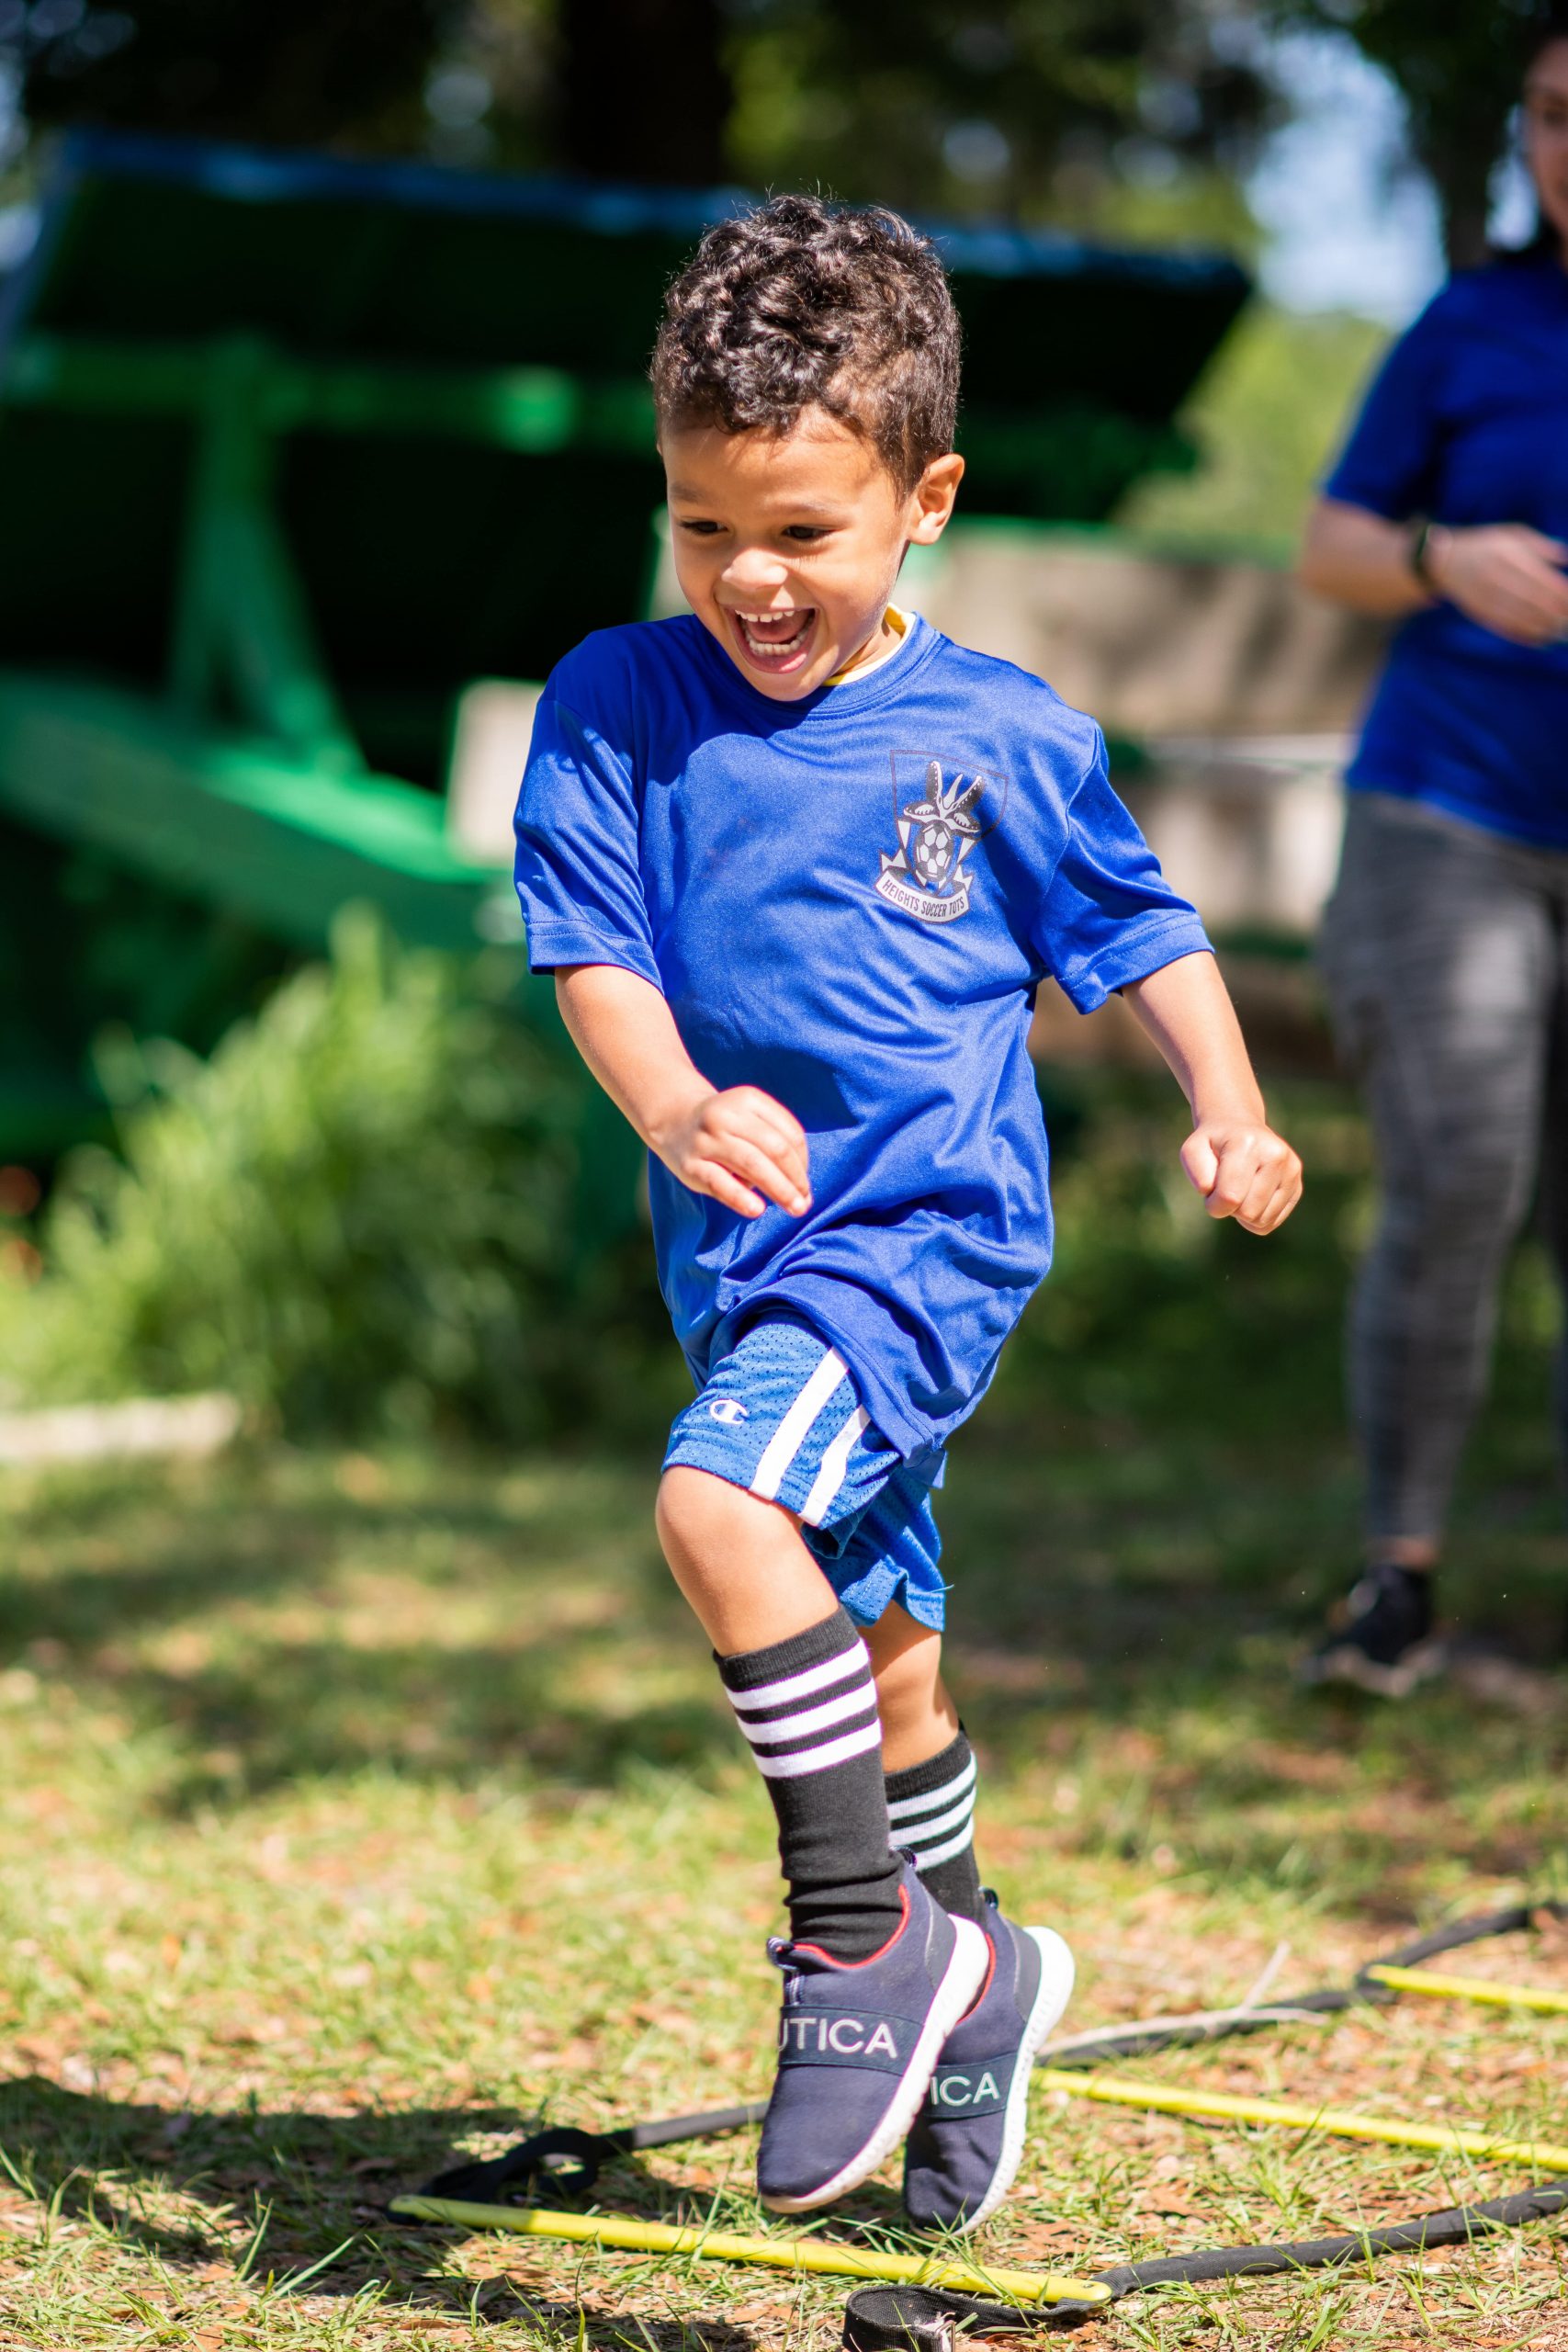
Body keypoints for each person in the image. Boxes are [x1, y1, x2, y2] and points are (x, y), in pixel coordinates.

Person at [513, 194, 1302, 2232]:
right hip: (742, 1259)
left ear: (923, 496)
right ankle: (975, 1995)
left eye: (801, 530)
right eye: (704, 526)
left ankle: (857, 1940)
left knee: (716, 1514)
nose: (749, 578)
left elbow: (1135, 931)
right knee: (883, 1672)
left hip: (917, 1236)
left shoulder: (1004, 738)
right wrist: (674, 1095)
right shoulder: (615, 700)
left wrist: (1224, 1101)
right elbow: (590, 949)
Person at [1298, 14, 1568, 1699]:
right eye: (1550, 115)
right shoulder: (1469, 325)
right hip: (1445, 819)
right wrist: (1441, 557)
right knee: (1462, 1182)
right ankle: (1398, 1579)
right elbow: (1332, 548)